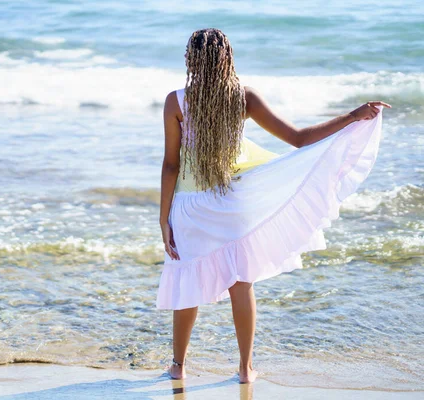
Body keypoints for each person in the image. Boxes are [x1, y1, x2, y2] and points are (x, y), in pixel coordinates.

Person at [157, 28, 391, 383]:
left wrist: (164, 219)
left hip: (190, 206)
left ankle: (178, 366)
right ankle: (245, 369)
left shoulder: (176, 101)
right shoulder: (243, 97)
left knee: (186, 280)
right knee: (241, 282)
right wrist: (351, 116)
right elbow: (299, 139)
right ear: (227, 57)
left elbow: (171, 164)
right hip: (233, 202)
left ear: (190, 59)